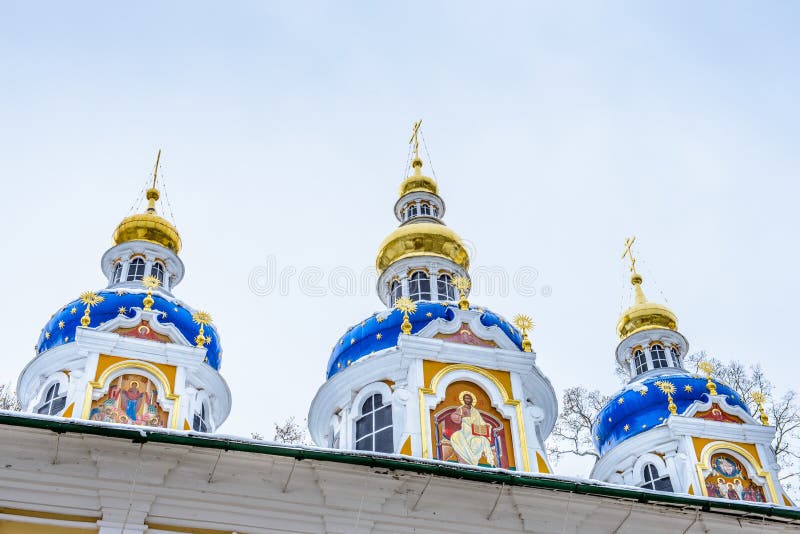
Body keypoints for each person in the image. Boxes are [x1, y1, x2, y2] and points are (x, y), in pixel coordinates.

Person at [447, 392, 496, 466]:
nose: (467, 400)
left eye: (469, 398)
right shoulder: (461, 409)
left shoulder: (475, 411)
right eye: (466, 398)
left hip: (475, 430)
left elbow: (480, 421)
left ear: (472, 400)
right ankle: (469, 459)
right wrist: (458, 416)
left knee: (482, 440)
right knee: (459, 437)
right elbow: (454, 417)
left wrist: (486, 425)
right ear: (463, 400)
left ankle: (473, 459)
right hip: (466, 429)